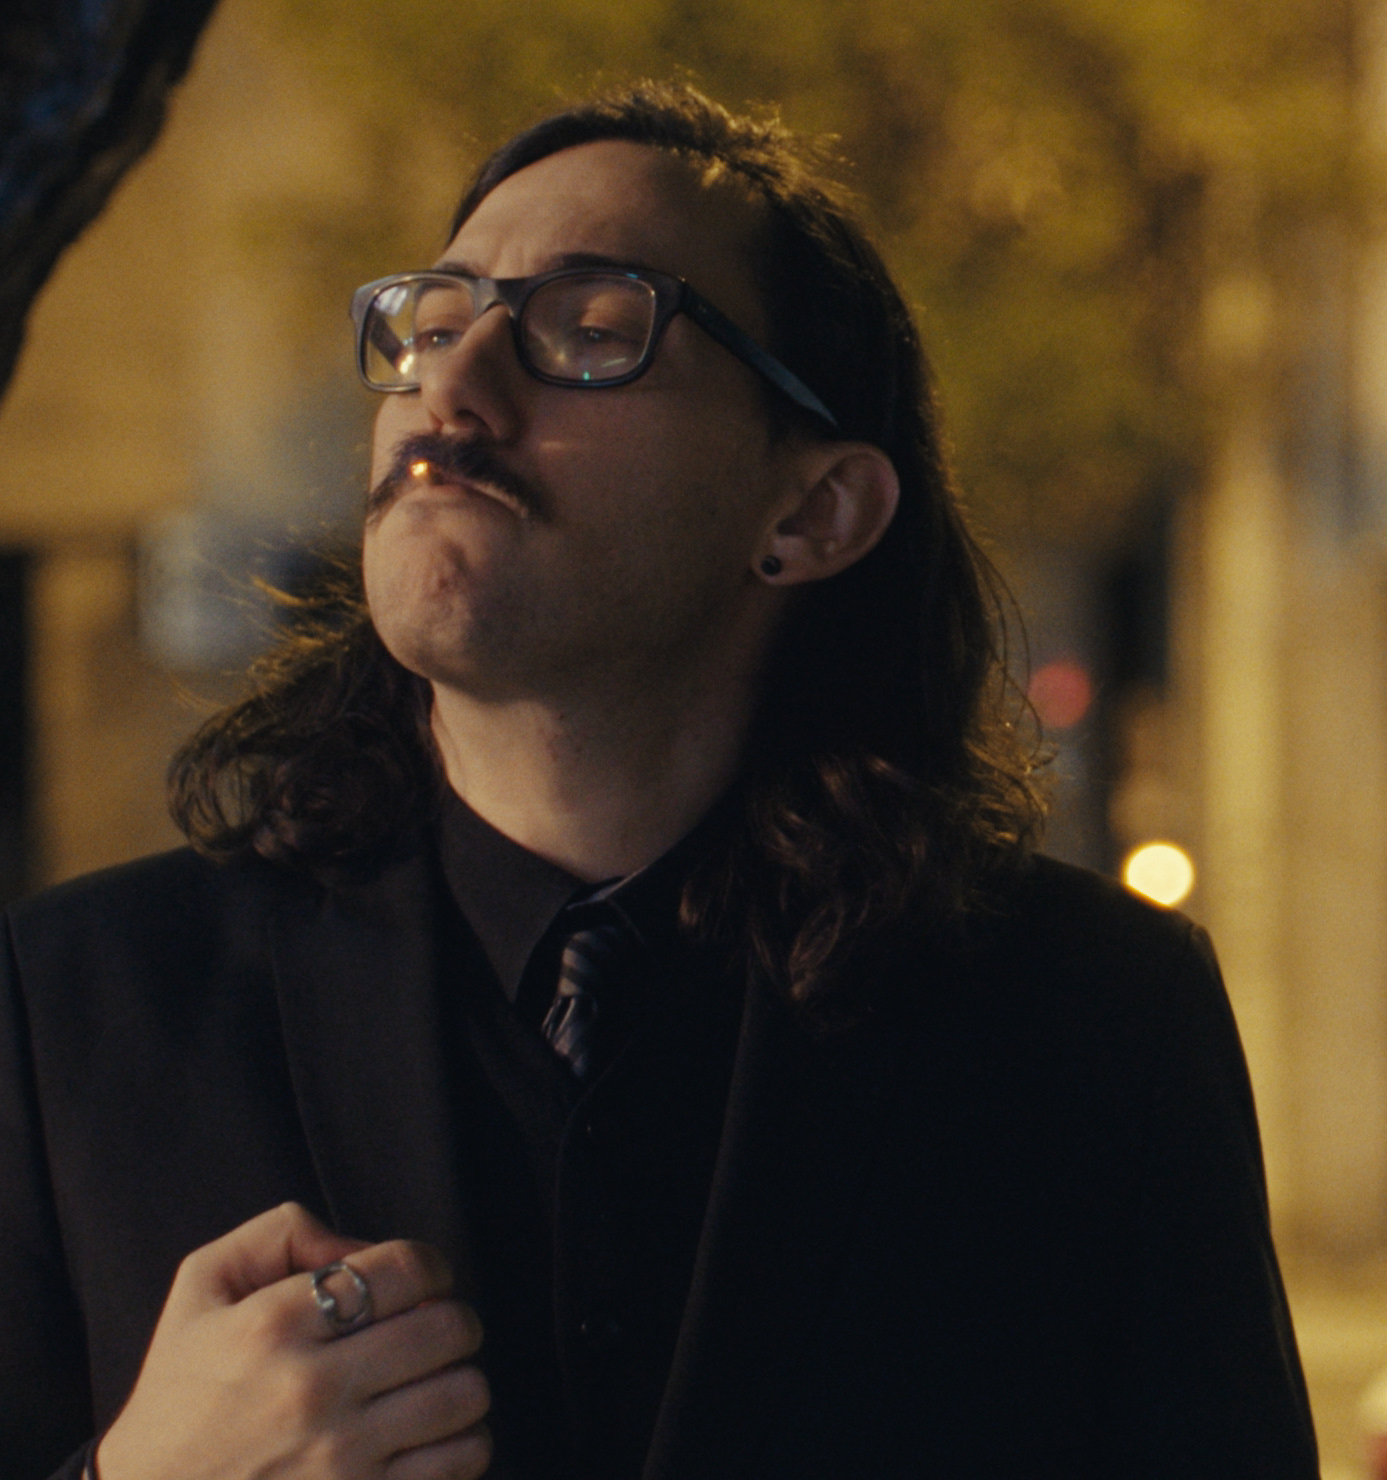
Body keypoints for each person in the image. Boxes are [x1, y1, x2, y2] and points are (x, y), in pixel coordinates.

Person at [0, 83, 1320, 1480]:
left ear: (811, 511)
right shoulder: (74, 1010)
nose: (452, 385)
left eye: (589, 330)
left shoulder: (1092, 1028)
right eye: (434, 323)